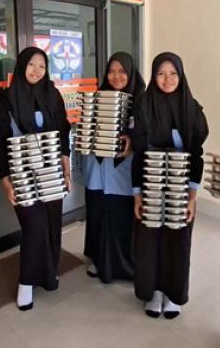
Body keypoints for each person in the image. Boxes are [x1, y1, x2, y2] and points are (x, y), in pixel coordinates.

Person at [0, 47, 73, 310]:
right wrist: (5, 179)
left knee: (51, 224)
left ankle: (48, 274)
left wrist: (66, 162)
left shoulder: (53, 95)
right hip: (22, 174)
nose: (36, 70)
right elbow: (0, 141)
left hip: (51, 171)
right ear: (22, 66)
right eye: (31, 65)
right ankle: (26, 282)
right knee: (34, 226)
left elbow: (63, 130)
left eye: (42, 66)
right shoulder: (6, 98)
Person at [131, 52, 208, 319]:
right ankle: (154, 291)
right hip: (150, 185)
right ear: (153, 76)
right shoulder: (144, 105)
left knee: (178, 239)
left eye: (173, 73)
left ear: (181, 75)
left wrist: (192, 196)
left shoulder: (192, 108)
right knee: (149, 240)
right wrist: (137, 194)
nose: (167, 79)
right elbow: (139, 153)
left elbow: (197, 154)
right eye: (161, 74)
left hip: (181, 188)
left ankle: (173, 294)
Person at [82, 52, 146, 283]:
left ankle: (125, 265)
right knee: (98, 214)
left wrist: (132, 138)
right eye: (111, 71)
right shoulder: (98, 98)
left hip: (124, 171)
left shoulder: (142, 100)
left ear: (131, 73)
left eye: (122, 71)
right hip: (98, 168)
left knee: (121, 216)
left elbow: (147, 133)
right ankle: (99, 259)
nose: (116, 76)